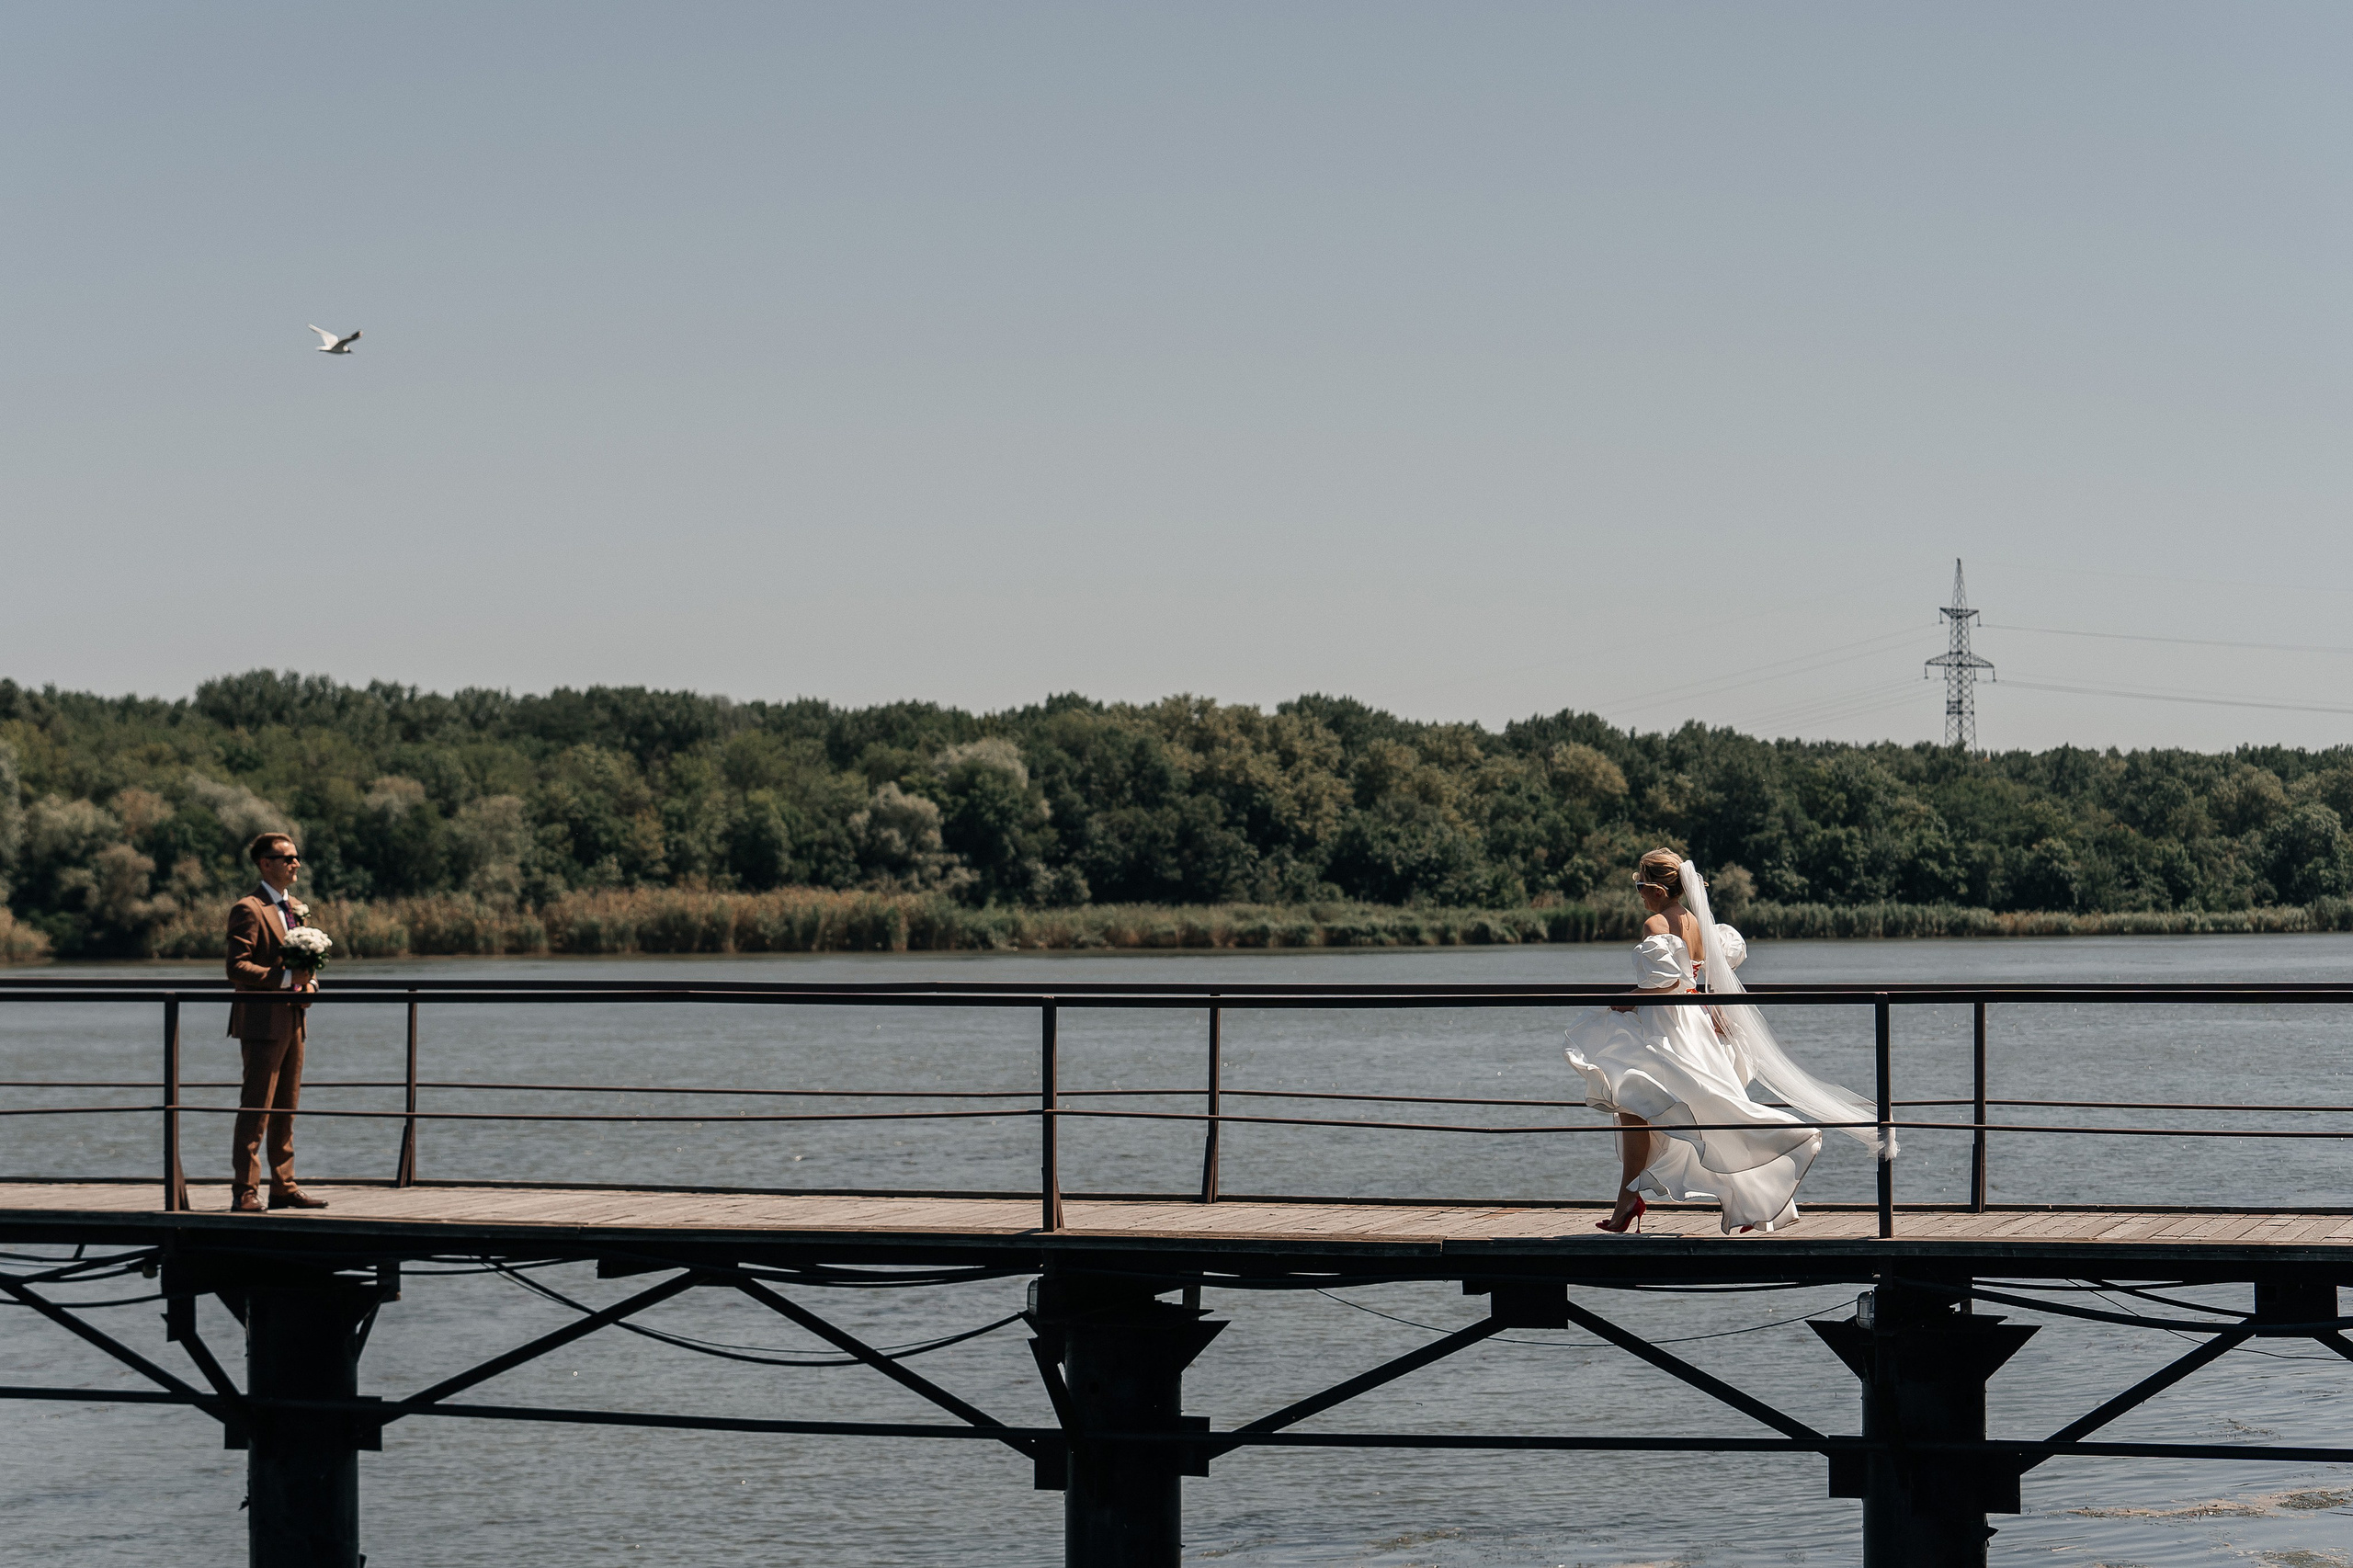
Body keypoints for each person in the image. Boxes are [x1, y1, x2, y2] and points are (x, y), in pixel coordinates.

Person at [1563, 849, 1890, 1233]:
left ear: (1654, 888)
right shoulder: (1702, 925)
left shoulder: (1656, 924)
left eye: (1639, 886)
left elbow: (1665, 984)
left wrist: (1626, 999)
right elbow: (1700, 975)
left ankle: (1779, 1153)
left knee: (1699, 1111)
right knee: (1636, 1108)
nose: (1638, 894)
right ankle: (1630, 1200)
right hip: (1693, 1025)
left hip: (1666, 1028)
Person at [224, 833, 327, 1212]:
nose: (294, 863)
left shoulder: (297, 908)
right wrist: (285, 981)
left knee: (287, 1106)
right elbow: (236, 967)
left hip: (294, 1019)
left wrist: (311, 983)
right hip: (262, 1023)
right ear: (265, 863)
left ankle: (284, 1185)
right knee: (257, 1108)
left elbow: (307, 966)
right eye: (286, 858)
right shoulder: (248, 908)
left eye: (296, 857)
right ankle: (245, 1192)